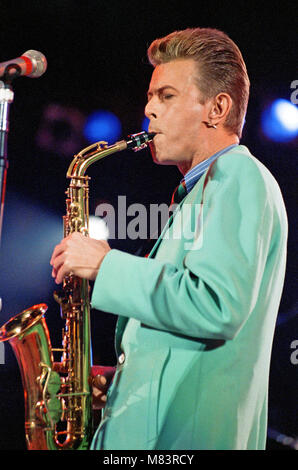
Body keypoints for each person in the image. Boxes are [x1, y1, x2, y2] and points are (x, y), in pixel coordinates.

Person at [50, 28, 288, 450]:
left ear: (217, 107)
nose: (148, 109)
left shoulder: (239, 175)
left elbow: (217, 305)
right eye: (150, 96)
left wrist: (106, 265)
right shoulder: (201, 191)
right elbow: (187, 328)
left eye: (167, 96)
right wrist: (122, 384)